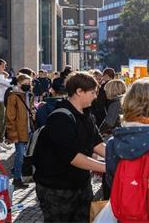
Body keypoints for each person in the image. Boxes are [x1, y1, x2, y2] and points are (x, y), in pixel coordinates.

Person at [33, 72, 106, 222]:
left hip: (81, 184)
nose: (95, 96)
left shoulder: (87, 115)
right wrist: (108, 167)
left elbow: (97, 144)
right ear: (79, 91)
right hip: (56, 188)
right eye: (92, 92)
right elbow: (73, 157)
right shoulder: (60, 118)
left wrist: (120, 157)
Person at [5, 73, 35, 189]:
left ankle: (15, 170)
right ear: (18, 83)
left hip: (28, 130)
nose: (27, 85)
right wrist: (13, 134)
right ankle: (17, 179)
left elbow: (28, 111)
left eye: (29, 83)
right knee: (20, 155)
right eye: (25, 84)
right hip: (19, 131)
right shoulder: (13, 96)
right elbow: (10, 117)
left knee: (24, 155)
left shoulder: (29, 95)